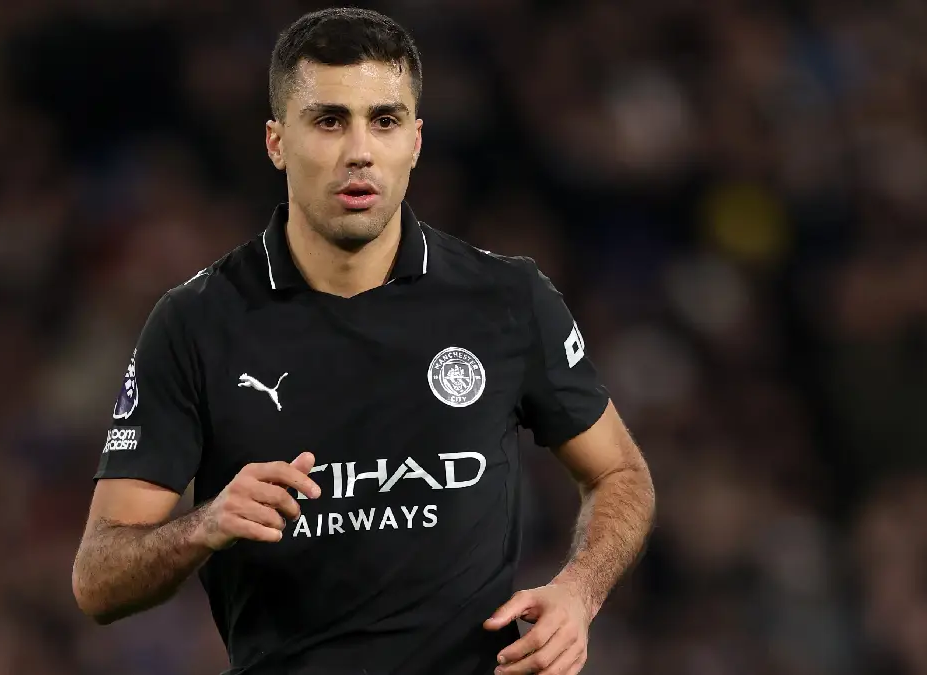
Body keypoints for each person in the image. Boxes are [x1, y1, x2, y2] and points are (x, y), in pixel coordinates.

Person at [71, 7, 655, 675]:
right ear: (276, 142)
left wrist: (580, 591)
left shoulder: (507, 299)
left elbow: (620, 473)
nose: (359, 150)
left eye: (384, 120)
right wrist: (202, 525)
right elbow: (98, 577)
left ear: (415, 140)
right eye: (329, 120)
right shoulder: (197, 323)